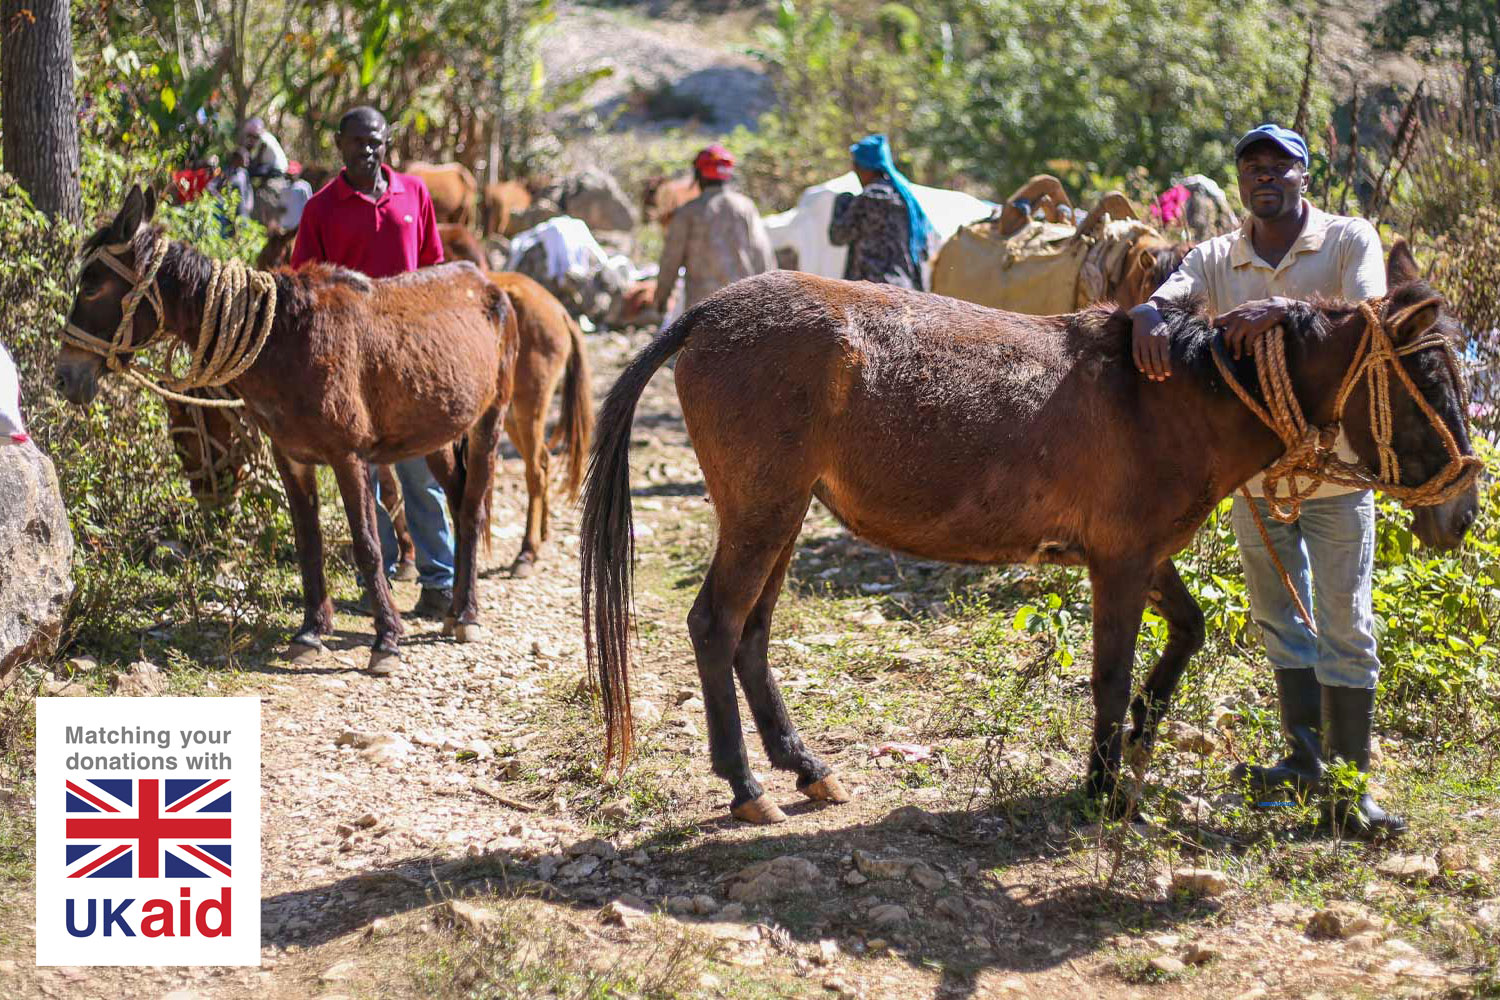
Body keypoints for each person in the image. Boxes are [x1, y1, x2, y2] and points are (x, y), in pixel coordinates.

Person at [1129, 123, 1403, 837]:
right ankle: (1304, 764)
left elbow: (1370, 317)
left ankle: (1351, 791)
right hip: (1257, 478)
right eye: (1253, 167)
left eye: (1280, 166)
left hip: (1338, 469)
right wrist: (1146, 314)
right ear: (1242, 181)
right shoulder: (1220, 255)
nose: (1265, 178)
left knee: (1346, 623)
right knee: (1282, 621)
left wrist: (1283, 309)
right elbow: (1173, 293)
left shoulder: (1347, 240)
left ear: (1305, 175)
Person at [291, 106, 457, 619]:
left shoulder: (413, 193)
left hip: (408, 360)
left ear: (388, 144)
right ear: (339, 143)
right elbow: (304, 286)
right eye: (358, 141)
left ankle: (440, 581)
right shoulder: (321, 208)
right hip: (350, 366)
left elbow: (432, 269)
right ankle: (377, 579)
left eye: (377, 141)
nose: (368, 149)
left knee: (420, 475)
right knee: (361, 477)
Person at [652, 145, 776, 315]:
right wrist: (770, 299)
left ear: (698, 175)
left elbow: (670, 260)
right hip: (744, 305)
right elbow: (763, 255)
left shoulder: (689, 213)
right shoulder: (745, 207)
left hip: (702, 311)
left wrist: (662, 297)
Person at [827, 133, 934, 290]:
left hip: (871, 293)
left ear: (866, 167)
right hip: (904, 290)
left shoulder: (869, 198)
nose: (855, 171)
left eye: (856, 166)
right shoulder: (907, 200)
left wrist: (842, 203)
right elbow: (924, 249)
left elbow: (838, 236)